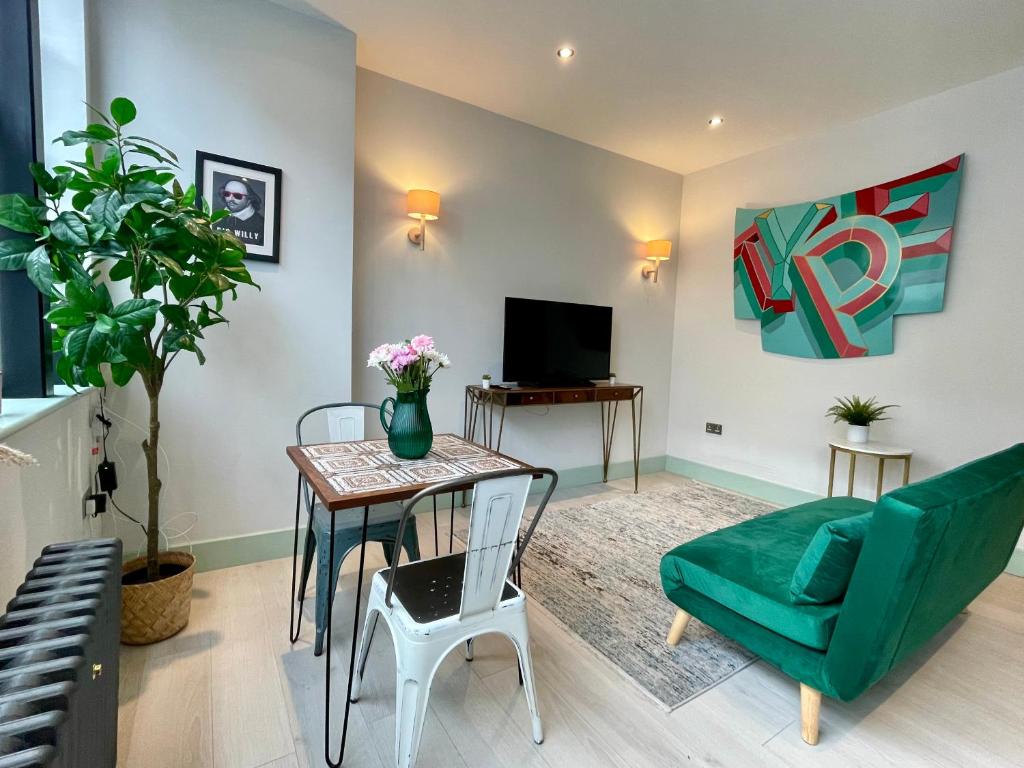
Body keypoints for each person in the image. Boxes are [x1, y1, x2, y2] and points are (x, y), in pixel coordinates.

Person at [215, 178, 264, 247]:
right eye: (227, 194)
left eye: (237, 196)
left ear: (249, 199)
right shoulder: (216, 218)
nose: (230, 199)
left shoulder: (262, 225)